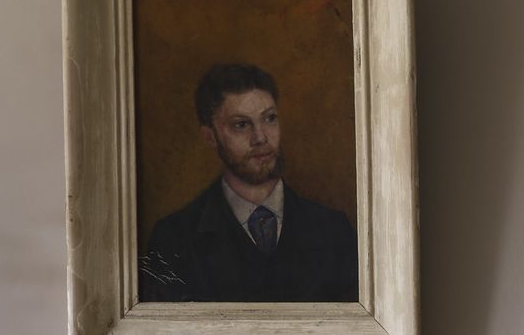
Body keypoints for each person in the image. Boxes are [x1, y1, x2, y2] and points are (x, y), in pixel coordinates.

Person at [138, 63, 359, 303]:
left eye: (269, 118)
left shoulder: (333, 230)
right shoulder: (173, 239)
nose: (261, 137)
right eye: (241, 125)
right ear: (210, 137)